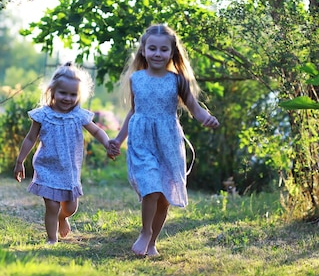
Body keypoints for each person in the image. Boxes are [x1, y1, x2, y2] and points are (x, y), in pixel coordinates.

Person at [108, 24, 219, 257]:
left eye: (163, 49)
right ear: (143, 51)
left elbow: (194, 108)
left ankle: (152, 242)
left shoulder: (177, 80)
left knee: (164, 197)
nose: (157, 54)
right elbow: (133, 112)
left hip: (168, 140)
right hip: (142, 139)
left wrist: (206, 119)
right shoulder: (136, 79)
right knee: (151, 187)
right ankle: (145, 232)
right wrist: (118, 140)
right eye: (152, 49)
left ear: (172, 53)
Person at [14, 62, 120, 244]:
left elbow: (96, 131)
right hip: (47, 167)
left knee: (71, 207)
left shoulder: (79, 115)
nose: (68, 98)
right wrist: (20, 161)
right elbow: (31, 138)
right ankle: (51, 238)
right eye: (63, 93)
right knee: (52, 206)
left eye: (73, 94)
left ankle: (63, 218)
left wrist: (107, 143)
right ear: (52, 91)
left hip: (69, 169)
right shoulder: (43, 115)